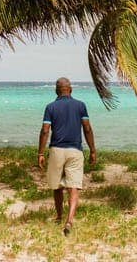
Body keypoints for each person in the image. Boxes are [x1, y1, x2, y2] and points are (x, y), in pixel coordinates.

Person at [37, 77, 96, 236]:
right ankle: (69, 220)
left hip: (57, 150)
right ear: (70, 89)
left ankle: (58, 216)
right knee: (74, 187)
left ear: (56, 91)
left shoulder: (50, 107)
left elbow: (44, 130)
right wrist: (92, 150)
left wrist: (41, 152)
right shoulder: (81, 106)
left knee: (57, 187)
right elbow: (87, 128)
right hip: (75, 151)